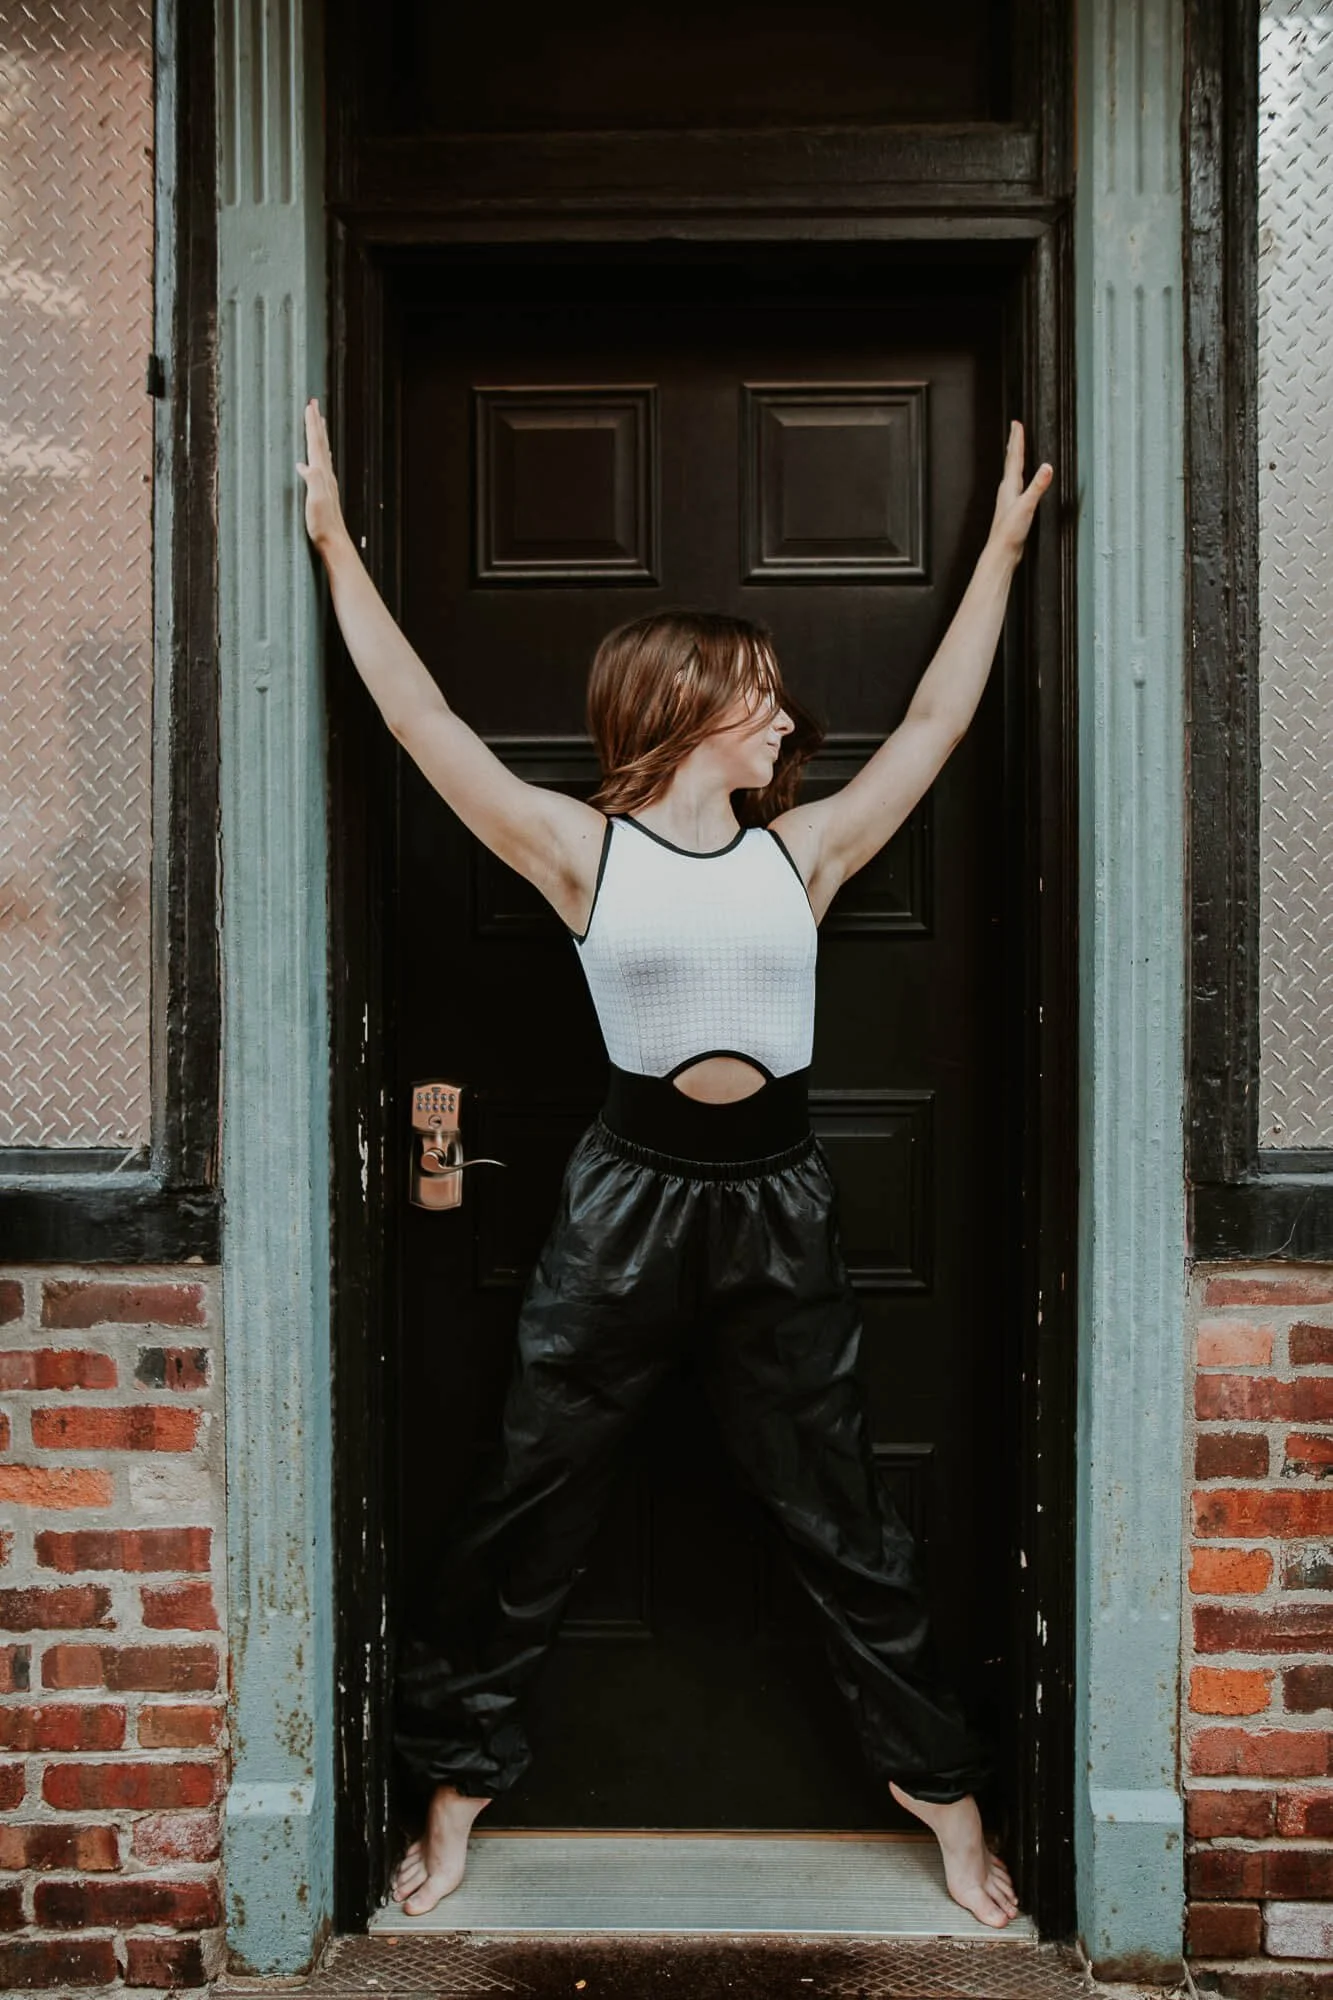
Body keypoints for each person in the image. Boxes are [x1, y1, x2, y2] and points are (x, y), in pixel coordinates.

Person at [298, 397, 1052, 1931]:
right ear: (689, 707)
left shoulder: (802, 854)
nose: (785, 722)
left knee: (840, 1508)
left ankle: (946, 1798)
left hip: (778, 1205)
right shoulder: (584, 852)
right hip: (624, 1205)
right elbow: (422, 723)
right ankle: (457, 1795)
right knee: (535, 1488)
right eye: (760, 698)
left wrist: (998, 553)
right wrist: (329, 542)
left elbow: (934, 727)